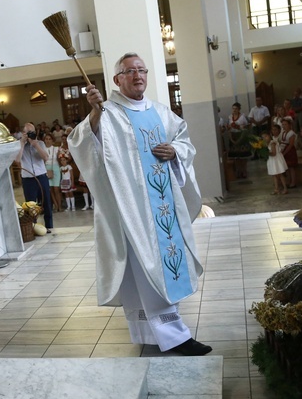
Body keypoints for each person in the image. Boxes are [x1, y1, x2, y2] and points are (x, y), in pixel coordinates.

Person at [68, 52, 211, 356]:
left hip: (164, 208)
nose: (137, 76)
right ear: (117, 79)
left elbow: (184, 140)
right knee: (148, 269)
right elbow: (81, 142)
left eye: (141, 70)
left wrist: (175, 151)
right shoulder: (107, 112)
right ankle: (176, 336)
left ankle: (151, 332)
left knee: (150, 269)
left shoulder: (161, 112)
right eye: (129, 71)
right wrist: (93, 113)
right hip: (131, 210)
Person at [14, 122, 53, 233]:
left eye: (32, 132)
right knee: (31, 205)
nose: (30, 134)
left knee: (46, 202)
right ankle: (33, 227)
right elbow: (17, 160)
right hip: (28, 179)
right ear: (23, 133)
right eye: (28, 132)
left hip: (41, 177)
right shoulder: (19, 144)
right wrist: (22, 142)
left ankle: (49, 226)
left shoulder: (40, 143)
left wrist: (35, 145)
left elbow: (45, 157)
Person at [227, 102, 250, 179]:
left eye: (236, 109)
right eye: (233, 109)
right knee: (236, 156)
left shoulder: (243, 117)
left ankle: (244, 171)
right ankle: (238, 171)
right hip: (233, 136)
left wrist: (238, 126)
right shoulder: (230, 117)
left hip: (241, 136)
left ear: (239, 109)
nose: (234, 110)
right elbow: (229, 128)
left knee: (243, 156)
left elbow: (246, 127)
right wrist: (231, 137)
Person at [265, 126, 288, 194]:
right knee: (274, 175)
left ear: (269, 135)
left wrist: (266, 153)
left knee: (280, 174)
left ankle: (285, 188)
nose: (265, 138)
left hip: (276, 160)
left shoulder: (272, 143)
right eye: (263, 137)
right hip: (272, 160)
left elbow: (274, 153)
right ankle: (276, 189)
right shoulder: (267, 143)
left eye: (266, 136)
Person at [43, 133, 62, 212]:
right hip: (46, 168)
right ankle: (55, 205)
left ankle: (59, 206)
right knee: (50, 189)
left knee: (56, 188)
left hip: (55, 167)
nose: (48, 141)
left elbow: (60, 159)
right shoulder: (42, 149)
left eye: (49, 139)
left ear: (52, 140)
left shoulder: (56, 148)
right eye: (46, 139)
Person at [279, 118, 298, 188]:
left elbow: (290, 144)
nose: (284, 126)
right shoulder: (283, 133)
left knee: (291, 167)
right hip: (284, 150)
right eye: (283, 124)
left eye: (285, 124)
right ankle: (289, 181)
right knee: (287, 167)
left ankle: (293, 182)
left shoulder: (291, 133)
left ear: (289, 125)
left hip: (290, 151)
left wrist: (284, 152)